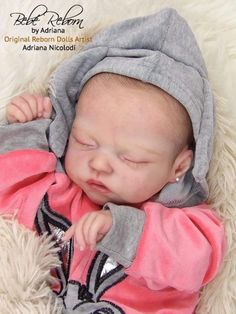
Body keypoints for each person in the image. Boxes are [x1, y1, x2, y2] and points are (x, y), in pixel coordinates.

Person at [1, 8, 225, 314]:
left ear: (179, 167)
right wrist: (29, 129)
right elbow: (9, 189)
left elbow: (196, 264)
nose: (100, 164)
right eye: (85, 142)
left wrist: (124, 230)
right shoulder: (57, 190)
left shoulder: (188, 228)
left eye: (131, 158)